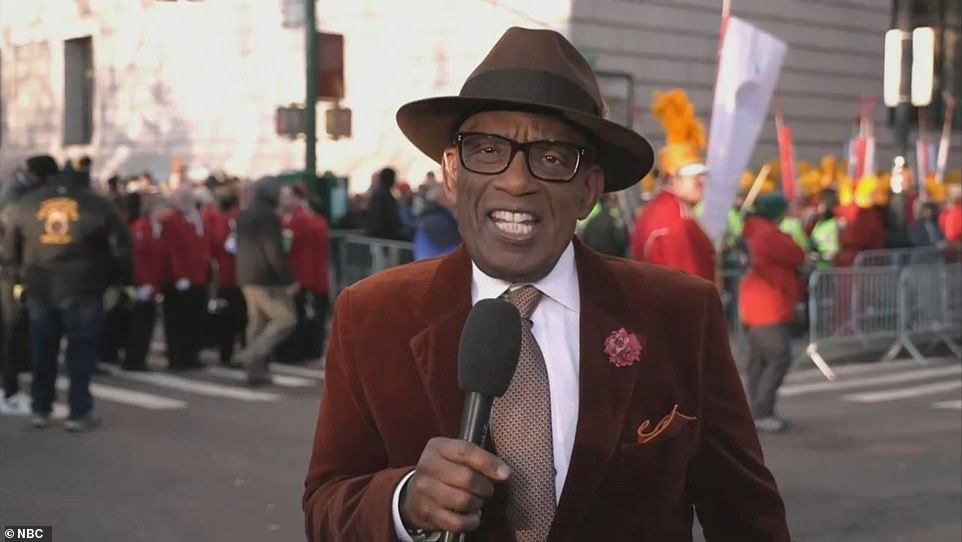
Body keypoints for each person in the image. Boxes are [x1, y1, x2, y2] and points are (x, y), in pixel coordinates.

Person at [303, 27, 789, 541]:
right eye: (487, 150)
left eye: (553, 157)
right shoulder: (371, 315)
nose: (516, 181)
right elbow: (326, 505)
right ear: (450, 173)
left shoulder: (680, 313)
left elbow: (746, 515)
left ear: (589, 191)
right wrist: (405, 503)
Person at [1, 168, 132, 431]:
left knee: (43, 351)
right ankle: (78, 411)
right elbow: (120, 247)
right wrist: (123, 281)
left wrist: (17, 281)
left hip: (40, 288)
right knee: (80, 354)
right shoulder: (97, 206)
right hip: (83, 289)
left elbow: (9, 249)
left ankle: (41, 408)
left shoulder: (26, 205)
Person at [630, 89, 715, 281]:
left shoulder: (666, 211)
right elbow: (688, 287)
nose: (701, 181)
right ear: (674, 178)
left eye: (702, 174)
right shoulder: (674, 221)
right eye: (693, 176)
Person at [739, 193, 805, 433]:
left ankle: (755, 409)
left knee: (759, 360)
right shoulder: (768, 235)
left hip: (755, 303)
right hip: (769, 304)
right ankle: (762, 410)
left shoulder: (752, 231)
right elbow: (797, 255)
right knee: (779, 357)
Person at [0, 156, 59, 416]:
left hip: (21, 268)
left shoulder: (24, 193)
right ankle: (8, 391)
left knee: (18, 330)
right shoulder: (16, 196)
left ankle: (12, 386)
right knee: (11, 329)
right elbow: (14, 231)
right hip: (10, 270)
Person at [234, 177, 296, 386]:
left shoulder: (245, 213)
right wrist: (286, 278)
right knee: (285, 319)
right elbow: (273, 250)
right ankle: (251, 355)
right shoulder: (269, 216)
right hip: (265, 277)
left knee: (257, 323)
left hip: (246, 275)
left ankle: (255, 371)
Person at [122, 196, 172, 371]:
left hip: (154, 282)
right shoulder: (141, 228)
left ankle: (140, 358)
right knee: (139, 324)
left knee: (148, 323)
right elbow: (138, 258)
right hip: (144, 283)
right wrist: (142, 283)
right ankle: (133, 359)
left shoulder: (159, 229)